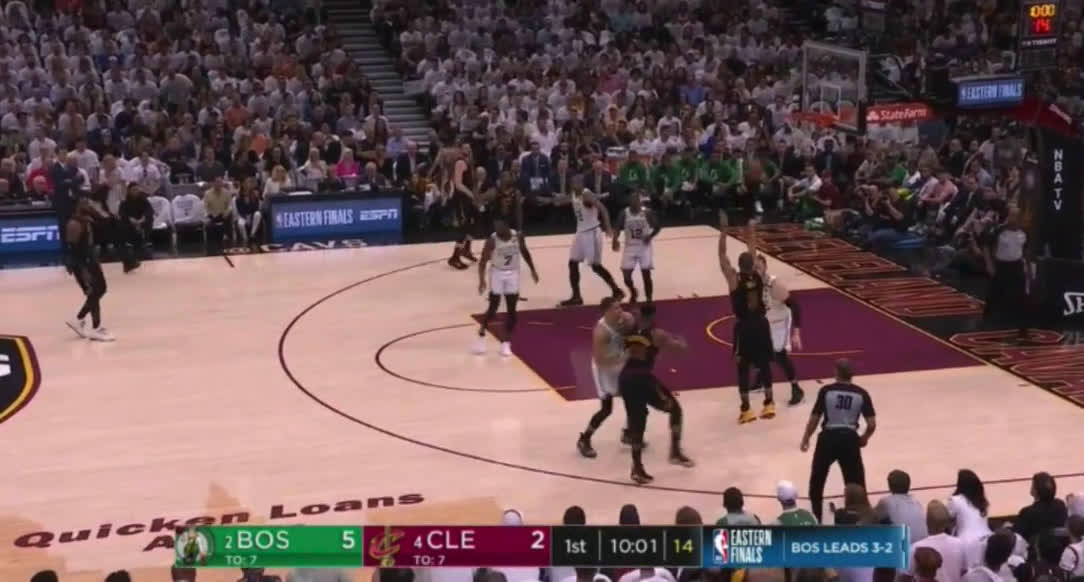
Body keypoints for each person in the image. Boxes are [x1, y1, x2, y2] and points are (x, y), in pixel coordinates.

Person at [618, 303, 694, 483]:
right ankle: (675, 452)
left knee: (637, 422)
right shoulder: (658, 334)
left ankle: (637, 467)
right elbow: (681, 349)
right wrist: (681, 340)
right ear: (653, 316)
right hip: (643, 380)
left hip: (625, 379)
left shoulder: (628, 329)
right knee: (675, 409)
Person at [800, 358, 876, 523]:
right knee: (856, 482)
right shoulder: (861, 393)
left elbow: (815, 418)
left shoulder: (826, 391)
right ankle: (861, 518)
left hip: (828, 438)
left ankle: (817, 518)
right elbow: (871, 424)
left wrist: (806, 437)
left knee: (817, 480)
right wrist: (864, 438)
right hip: (850, 439)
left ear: (836, 372)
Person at [717, 211, 775, 423]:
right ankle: (769, 403)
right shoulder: (758, 274)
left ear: (739, 265)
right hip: (762, 324)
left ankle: (746, 409)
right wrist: (751, 227)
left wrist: (724, 231)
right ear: (753, 264)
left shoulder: (734, 278)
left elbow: (722, 256)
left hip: (745, 327)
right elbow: (752, 246)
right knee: (765, 364)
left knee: (743, 367)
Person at [474, 217, 539, 356]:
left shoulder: (518, 236)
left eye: (499, 226)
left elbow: (525, 252)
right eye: (495, 226)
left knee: (512, 310)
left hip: (513, 273)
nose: (496, 229)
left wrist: (533, 270)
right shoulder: (492, 240)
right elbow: (483, 261)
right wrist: (481, 280)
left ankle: (506, 342)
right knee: (493, 307)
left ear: (506, 226)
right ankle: (482, 333)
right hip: (497, 273)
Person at [555, 175, 624, 306]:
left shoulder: (587, 195)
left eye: (577, 182)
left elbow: (603, 209)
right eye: (573, 182)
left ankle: (617, 291)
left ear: (582, 183)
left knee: (595, 266)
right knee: (572, 263)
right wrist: (546, 199)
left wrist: (608, 227)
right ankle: (576, 297)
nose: (574, 185)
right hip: (580, 233)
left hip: (592, 233)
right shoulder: (574, 194)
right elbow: (560, 201)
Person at [577, 297, 631, 458]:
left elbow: (633, 327)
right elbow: (601, 360)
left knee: (634, 399)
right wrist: (625, 356)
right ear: (606, 311)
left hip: (619, 363)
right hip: (604, 370)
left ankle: (628, 433)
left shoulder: (625, 319)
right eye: (616, 308)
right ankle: (584, 439)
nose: (620, 310)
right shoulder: (601, 332)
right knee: (607, 409)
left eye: (620, 307)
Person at [754, 255, 805, 405]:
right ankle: (760, 380)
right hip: (765, 321)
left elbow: (795, 306)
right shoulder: (753, 283)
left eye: (758, 267)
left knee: (780, 355)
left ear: (765, 267)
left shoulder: (775, 284)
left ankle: (796, 388)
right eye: (753, 268)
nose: (755, 271)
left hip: (779, 323)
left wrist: (796, 333)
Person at [65, 197, 115, 342]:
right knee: (96, 291)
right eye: (86, 203)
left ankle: (81, 321)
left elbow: (107, 221)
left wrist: (99, 211)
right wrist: (75, 266)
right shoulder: (74, 223)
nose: (90, 205)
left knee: (100, 290)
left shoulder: (88, 220)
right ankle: (94, 328)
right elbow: (71, 247)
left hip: (91, 261)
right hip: (83, 264)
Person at [982, 205, 1030, 337]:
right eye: (1012, 215)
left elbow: (1026, 250)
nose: (1013, 219)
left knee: (1021, 294)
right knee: (994, 292)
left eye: (1016, 216)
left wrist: (1027, 267)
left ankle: (1022, 323)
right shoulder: (998, 230)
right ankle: (987, 319)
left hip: (1017, 265)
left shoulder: (1024, 232)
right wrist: (989, 264)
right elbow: (986, 245)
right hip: (1001, 265)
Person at [612, 191, 660, 304]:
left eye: (636, 200)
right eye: (632, 200)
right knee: (626, 276)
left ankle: (649, 298)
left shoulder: (647, 212)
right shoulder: (624, 213)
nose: (634, 202)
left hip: (644, 247)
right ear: (629, 201)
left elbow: (657, 227)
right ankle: (633, 291)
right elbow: (617, 227)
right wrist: (615, 239)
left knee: (646, 274)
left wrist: (650, 236)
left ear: (639, 201)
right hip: (629, 247)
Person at [912, 501, 968, 582]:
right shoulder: (960, 544)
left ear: (926, 521)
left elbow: (904, 578)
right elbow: (964, 572)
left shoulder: (916, 547)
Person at [875, 470, 929, 544]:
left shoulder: (885, 502)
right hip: (923, 545)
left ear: (890, 486)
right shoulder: (916, 501)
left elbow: (871, 518)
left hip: (904, 547)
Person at [1016, 472, 1068, 545]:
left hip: (1036, 548)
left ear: (1036, 490)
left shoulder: (1027, 512)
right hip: (1059, 547)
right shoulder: (1060, 505)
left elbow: (1018, 534)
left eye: (1032, 485)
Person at [948, 470, 993, 544]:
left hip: (966, 542)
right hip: (987, 538)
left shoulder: (955, 500)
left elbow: (944, 518)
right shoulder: (981, 500)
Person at [117, 184, 152, 273]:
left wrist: (142, 220)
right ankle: (129, 261)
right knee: (121, 225)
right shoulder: (124, 202)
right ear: (129, 191)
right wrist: (131, 220)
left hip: (142, 222)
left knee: (149, 220)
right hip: (129, 223)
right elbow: (122, 214)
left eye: (137, 190)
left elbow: (149, 211)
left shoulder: (144, 200)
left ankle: (142, 245)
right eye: (134, 190)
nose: (136, 191)